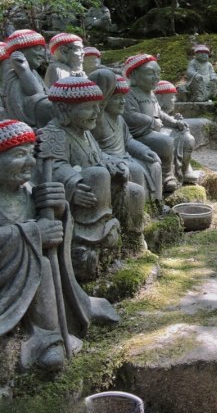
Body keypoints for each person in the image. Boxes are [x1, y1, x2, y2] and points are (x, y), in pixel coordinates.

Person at [0, 119, 119, 370]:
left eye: (31, 154)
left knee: (42, 261)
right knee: (40, 264)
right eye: (19, 155)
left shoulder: (27, 191)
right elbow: (33, 237)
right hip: (7, 280)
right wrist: (33, 233)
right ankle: (46, 339)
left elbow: (52, 230)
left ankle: (59, 324)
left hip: (25, 271)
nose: (30, 162)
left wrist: (58, 207)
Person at [40, 77, 144, 280]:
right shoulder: (54, 133)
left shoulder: (85, 133)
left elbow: (98, 155)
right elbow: (52, 166)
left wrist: (114, 163)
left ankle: (133, 239)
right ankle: (92, 239)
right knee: (98, 174)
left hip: (100, 192)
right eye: (90, 108)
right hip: (82, 203)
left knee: (135, 192)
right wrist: (73, 184)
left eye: (99, 107)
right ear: (63, 109)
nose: (97, 113)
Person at [123, 54, 197, 194]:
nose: (156, 77)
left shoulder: (151, 94)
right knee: (165, 142)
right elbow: (129, 116)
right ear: (133, 75)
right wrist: (150, 121)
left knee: (186, 138)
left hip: (154, 130)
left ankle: (184, 170)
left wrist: (174, 123)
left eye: (158, 73)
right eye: (150, 73)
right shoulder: (129, 94)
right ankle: (167, 176)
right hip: (138, 135)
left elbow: (160, 113)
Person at [89, 70, 163, 205]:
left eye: (124, 98)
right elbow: (99, 97)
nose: (123, 102)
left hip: (126, 156)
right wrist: (106, 82)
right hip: (110, 160)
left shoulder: (119, 119)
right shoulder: (98, 119)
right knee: (135, 170)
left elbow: (128, 141)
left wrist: (144, 150)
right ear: (106, 100)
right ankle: (137, 209)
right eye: (117, 98)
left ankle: (156, 203)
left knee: (154, 164)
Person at [3, 29, 53, 127]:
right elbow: (38, 96)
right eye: (38, 49)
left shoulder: (33, 73)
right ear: (20, 52)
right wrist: (23, 69)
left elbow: (46, 96)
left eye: (43, 49)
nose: (42, 54)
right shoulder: (14, 77)